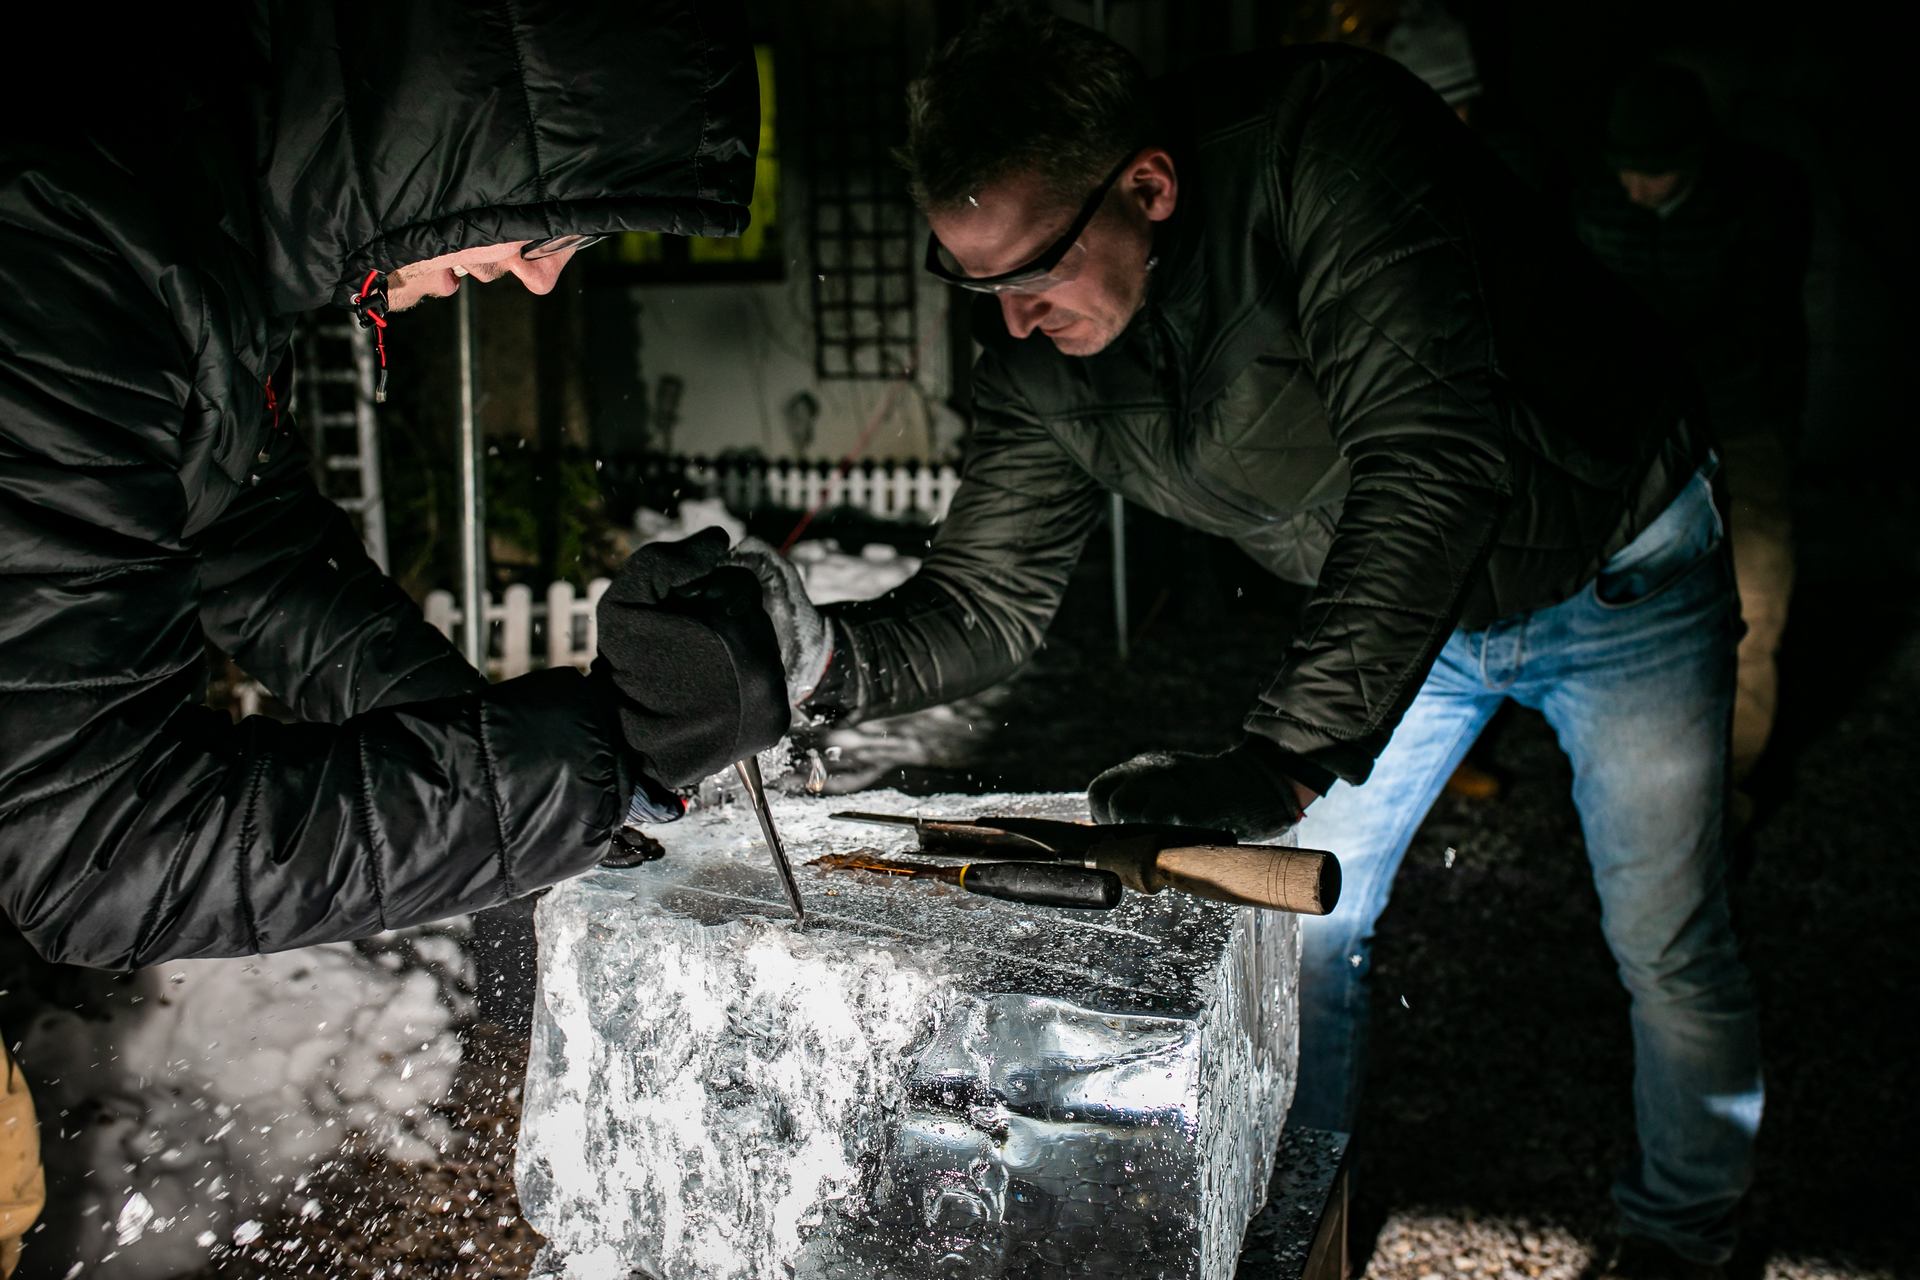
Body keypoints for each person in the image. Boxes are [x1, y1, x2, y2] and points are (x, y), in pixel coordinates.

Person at [738, 10, 1758, 1276]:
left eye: (1034, 273)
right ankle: (1306, 1224)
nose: (1007, 321)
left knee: (1666, 939)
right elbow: (987, 601)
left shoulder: (1328, 150)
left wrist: (1282, 758)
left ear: (1148, 187)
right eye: (977, 283)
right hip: (1410, 626)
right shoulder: (1041, 345)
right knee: (1308, 929)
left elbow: (1433, 460)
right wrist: (811, 657)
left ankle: (1685, 1233)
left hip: (1620, 565)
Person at [0, 4, 787, 1262]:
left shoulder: (175, 217)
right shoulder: (66, 238)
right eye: (560, 222)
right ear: (460, 112)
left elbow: (257, 555)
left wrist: (544, 766)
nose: (542, 273)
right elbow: (90, 844)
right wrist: (584, 756)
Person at [1574, 64, 1812, 799]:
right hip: (1629, 432)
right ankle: (1634, 786)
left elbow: (1763, 324)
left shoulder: (1760, 200)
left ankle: (1726, 790)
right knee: (1622, 607)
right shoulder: (1590, 197)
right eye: (1627, 171)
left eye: (1657, 173)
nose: (1637, 189)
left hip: (1737, 422)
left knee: (1755, 606)